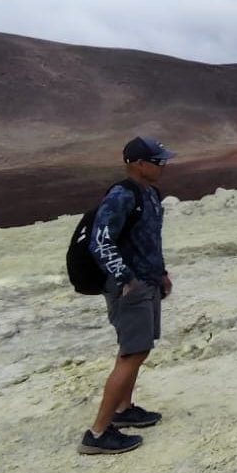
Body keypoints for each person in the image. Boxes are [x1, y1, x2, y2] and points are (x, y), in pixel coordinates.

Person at [78, 136, 176, 455]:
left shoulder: (150, 194)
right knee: (131, 353)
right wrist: (126, 278)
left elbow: (148, 240)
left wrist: (160, 273)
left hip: (146, 282)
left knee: (139, 348)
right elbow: (100, 241)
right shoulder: (122, 195)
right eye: (157, 161)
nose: (163, 166)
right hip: (129, 287)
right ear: (138, 164)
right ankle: (97, 433)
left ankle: (123, 411)